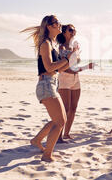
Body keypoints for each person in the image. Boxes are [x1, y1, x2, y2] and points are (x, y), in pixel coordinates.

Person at [20, 15, 77, 162]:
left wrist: (70, 58)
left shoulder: (52, 44)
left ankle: (37, 140)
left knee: (57, 120)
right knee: (60, 122)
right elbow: (49, 67)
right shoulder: (45, 44)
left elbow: (59, 69)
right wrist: (65, 60)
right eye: (57, 23)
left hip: (51, 83)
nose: (60, 25)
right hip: (46, 85)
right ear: (49, 26)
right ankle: (47, 155)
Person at [56, 24, 94, 140]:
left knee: (73, 108)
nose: (73, 32)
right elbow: (65, 68)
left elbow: (74, 66)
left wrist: (87, 67)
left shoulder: (74, 47)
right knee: (65, 109)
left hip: (76, 79)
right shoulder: (62, 48)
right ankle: (58, 136)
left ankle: (66, 133)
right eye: (70, 30)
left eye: (74, 30)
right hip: (64, 79)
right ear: (64, 33)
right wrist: (74, 52)